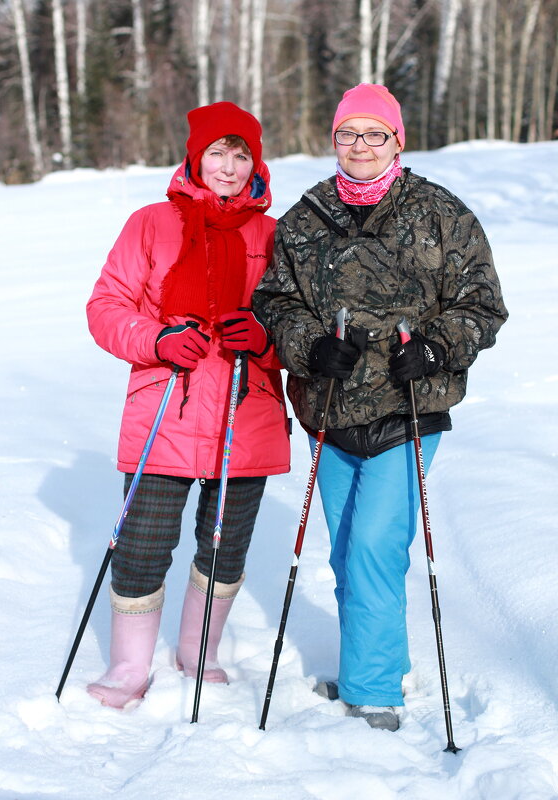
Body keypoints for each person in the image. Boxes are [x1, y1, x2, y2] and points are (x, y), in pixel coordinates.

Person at [252, 84, 508, 732]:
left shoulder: (441, 214)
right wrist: (311, 347)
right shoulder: (305, 218)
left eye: (374, 134)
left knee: (373, 544)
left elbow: (482, 305)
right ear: (333, 140)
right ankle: (378, 664)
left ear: (398, 140)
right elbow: (274, 302)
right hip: (331, 412)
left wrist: (436, 346)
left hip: (409, 409)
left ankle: (373, 695)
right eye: (348, 134)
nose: (360, 146)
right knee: (348, 552)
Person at [86, 101, 290, 709]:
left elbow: (299, 326)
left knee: (225, 543)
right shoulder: (150, 223)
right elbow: (106, 307)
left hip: (243, 411)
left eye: (241, 155)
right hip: (164, 409)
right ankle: (128, 667)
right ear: (194, 158)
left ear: (256, 162)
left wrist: (266, 340)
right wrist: (157, 339)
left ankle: (200, 651)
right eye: (217, 154)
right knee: (143, 540)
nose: (228, 167)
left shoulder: (274, 235)